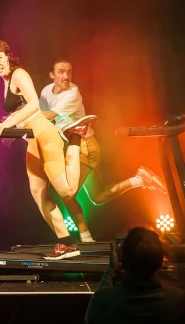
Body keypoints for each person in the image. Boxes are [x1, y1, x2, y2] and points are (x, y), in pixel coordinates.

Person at [0, 39, 97, 259]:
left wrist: (5, 125)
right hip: (31, 139)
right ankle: (66, 243)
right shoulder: (5, 81)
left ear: (7, 55)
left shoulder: (18, 74)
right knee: (37, 192)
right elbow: (21, 111)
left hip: (44, 134)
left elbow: (33, 104)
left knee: (66, 192)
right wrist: (11, 133)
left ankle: (74, 137)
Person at [38, 59, 167, 242]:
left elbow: (48, 116)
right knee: (97, 197)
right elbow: (41, 117)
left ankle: (86, 238)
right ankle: (139, 179)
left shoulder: (72, 94)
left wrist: (21, 118)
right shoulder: (45, 92)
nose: (66, 76)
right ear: (52, 75)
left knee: (67, 193)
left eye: (69, 71)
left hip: (85, 147)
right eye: (60, 72)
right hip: (73, 147)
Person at [85, 226, 185, 324]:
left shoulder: (103, 300)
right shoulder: (177, 300)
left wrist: (111, 269)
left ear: (122, 260)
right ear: (161, 261)